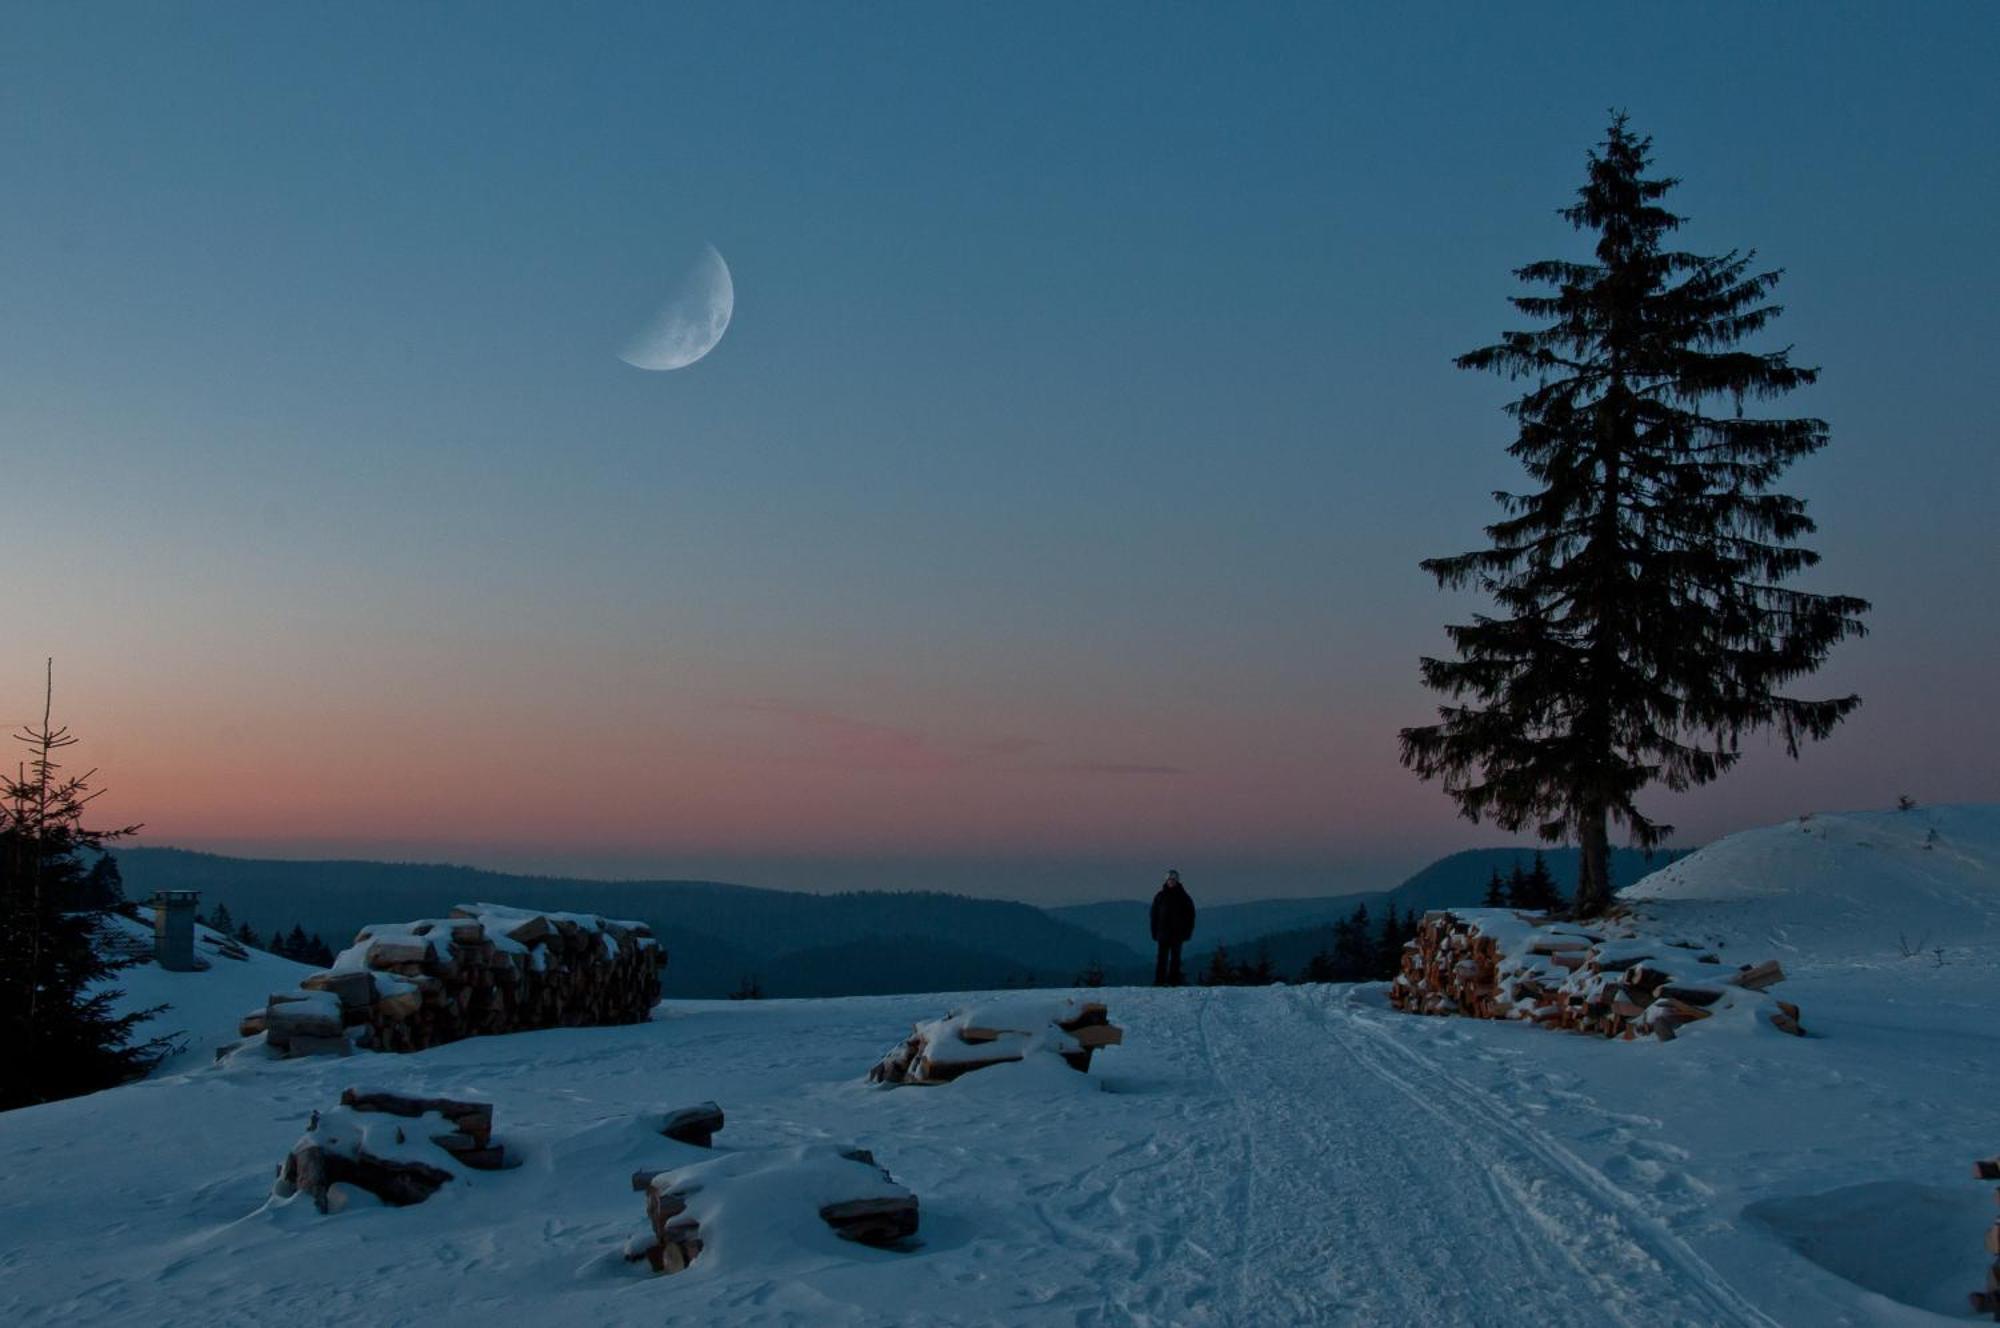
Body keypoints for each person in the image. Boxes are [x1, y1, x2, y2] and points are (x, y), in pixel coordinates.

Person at [1149, 869, 1196, 986]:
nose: (1171, 882)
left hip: (1178, 934)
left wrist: (1188, 932)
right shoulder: (1160, 897)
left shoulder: (1184, 897)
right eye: (1169, 880)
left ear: (1177, 881)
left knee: (1175, 959)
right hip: (1163, 933)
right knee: (1162, 959)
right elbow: (1154, 915)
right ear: (1166, 881)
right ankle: (1159, 982)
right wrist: (1154, 932)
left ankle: (1173, 981)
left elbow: (1190, 916)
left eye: (1173, 880)